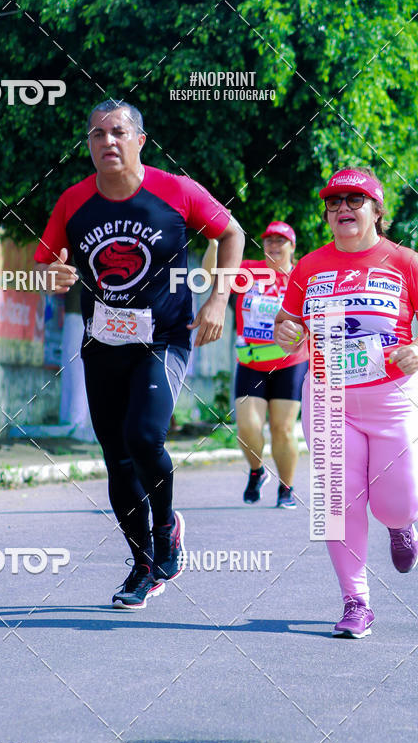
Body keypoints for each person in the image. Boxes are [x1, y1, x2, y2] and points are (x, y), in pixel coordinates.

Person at [34, 100, 244, 608]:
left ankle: (167, 526)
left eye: (118, 132)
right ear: (88, 145)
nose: (108, 141)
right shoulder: (73, 202)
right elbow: (43, 264)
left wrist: (219, 296)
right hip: (102, 342)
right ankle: (142, 564)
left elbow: (231, 231)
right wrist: (51, 276)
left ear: (139, 140)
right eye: (97, 134)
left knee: (144, 436)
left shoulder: (175, 191)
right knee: (117, 459)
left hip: (164, 336)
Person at [275, 167, 418, 638]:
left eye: (354, 201)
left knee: (397, 503)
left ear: (378, 210)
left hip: (391, 397)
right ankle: (355, 602)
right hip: (327, 395)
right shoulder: (310, 266)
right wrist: (288, 333)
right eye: (334, 203)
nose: (342, 209)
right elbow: (287, 330)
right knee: (337, 504)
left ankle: (401, 527)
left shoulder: (405, 262)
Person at [205, 222, 309, 508]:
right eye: (269, 241)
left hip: (291, 362)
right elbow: (209, 274)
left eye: (281, 241)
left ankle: (286, 488)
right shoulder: (248, 271)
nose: (274, 246)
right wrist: (214, 245)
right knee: (247, 428)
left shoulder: (302, 277)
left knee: (283, 429)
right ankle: (257, 471)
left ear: (292, 247)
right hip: (251, 361)